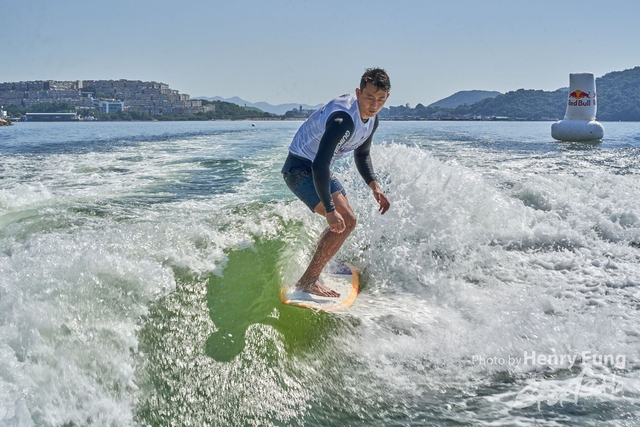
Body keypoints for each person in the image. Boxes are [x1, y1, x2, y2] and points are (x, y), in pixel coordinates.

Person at [281, 68, 391, 297]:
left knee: (345, 220)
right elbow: (319, 165)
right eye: (369, 97)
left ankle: (318, 259)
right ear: (358, 93)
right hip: (300, 169)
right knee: (345, 220)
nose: (374, 105)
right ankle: (308, 281)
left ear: (387, 97)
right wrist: (330, 211)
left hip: (319, 167)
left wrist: (374, 185)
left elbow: (362, 154)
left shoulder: (372, 119)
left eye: (380, 99)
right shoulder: (343, 121)